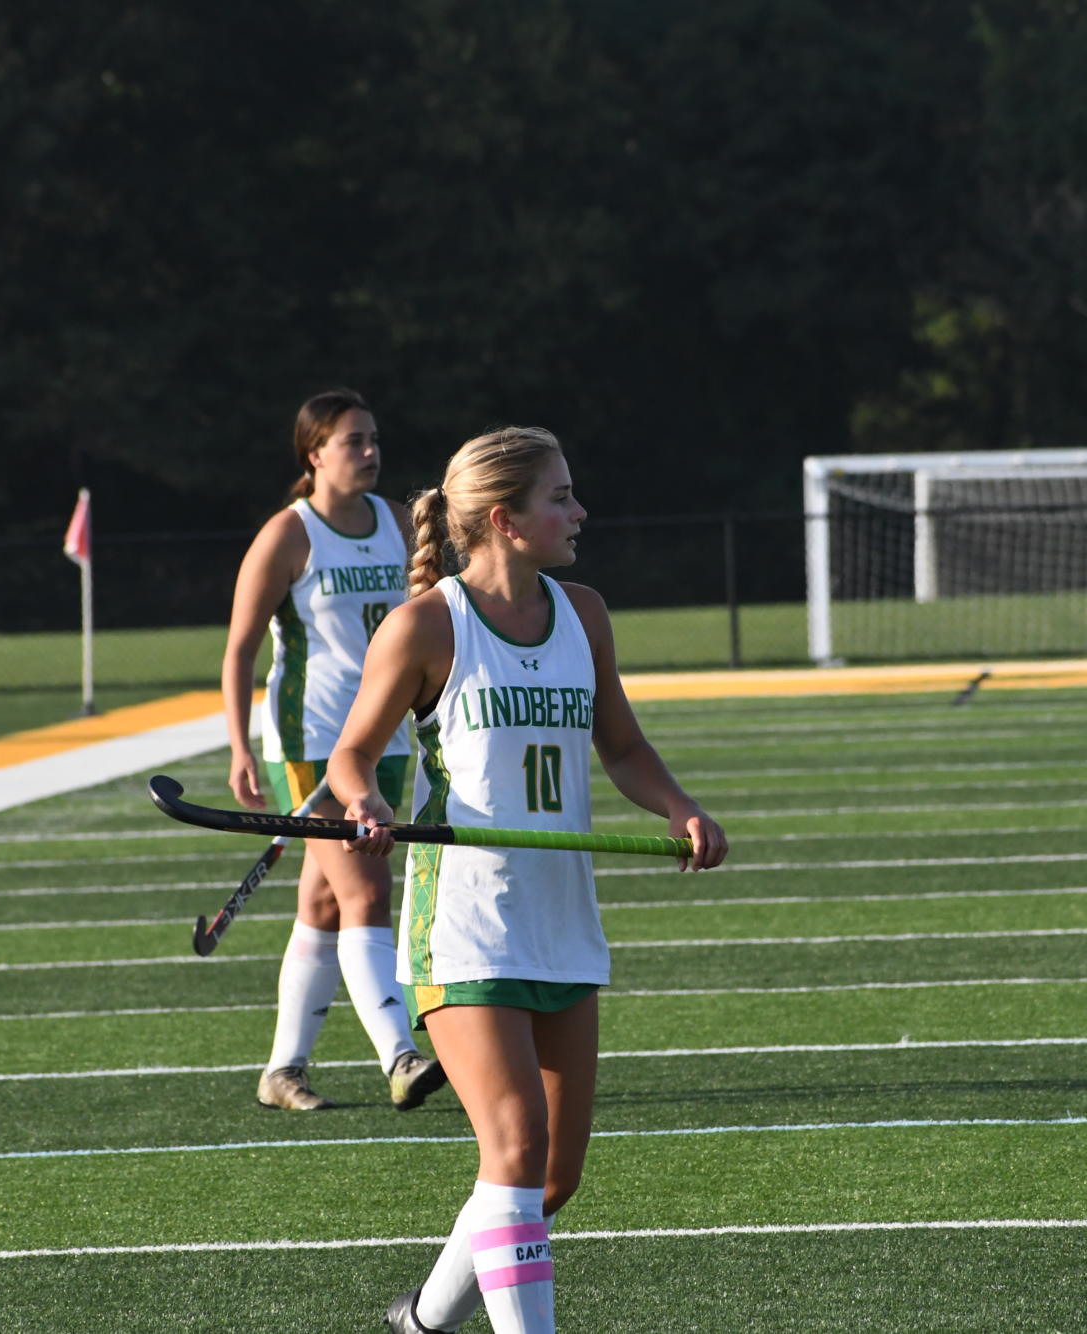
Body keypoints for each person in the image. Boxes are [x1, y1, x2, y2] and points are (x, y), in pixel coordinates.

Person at [326, 426, 728, 1334]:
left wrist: (678, 807)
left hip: (559, 917)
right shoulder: (429, 624)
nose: (578, 512)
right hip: (463, 919)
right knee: (510, 1147)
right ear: (505, 521)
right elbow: (353, 756)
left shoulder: (582, 612)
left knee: (550, 1178)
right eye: (561, 498)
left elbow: (620, 746)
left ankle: (419, 1323)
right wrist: (365, 806)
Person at [221, 388, 447, 1113]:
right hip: (309, 741)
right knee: (365, 890)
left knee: (322, 901)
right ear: (313, 454)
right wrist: (238, 747)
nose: (371, 451)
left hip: (381, 735)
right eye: (353, 441)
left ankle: (281, 1071)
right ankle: (400, 1054)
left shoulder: (396, 523)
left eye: (374, 438)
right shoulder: (289, 535)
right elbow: (240, 649)